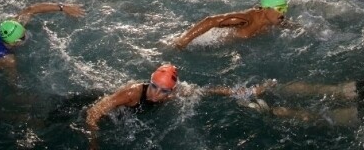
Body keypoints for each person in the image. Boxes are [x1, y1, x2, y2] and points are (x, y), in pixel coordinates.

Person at [85, 64, 264, 148]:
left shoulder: (176, 93)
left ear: (171, 92)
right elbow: (94, 112)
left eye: (163, 91)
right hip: (102, 107)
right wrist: (93, 140)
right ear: (150, 81)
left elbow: (208, 90)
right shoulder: (131, 93)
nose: (156, 94)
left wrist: (243, 92)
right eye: (154, 87)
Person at [174, 0, 289, 49]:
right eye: (280, 8)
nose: (283, 12)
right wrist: (183, 41)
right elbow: (210, 21)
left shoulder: (274, 21)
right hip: (208, 41)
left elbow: (289, 26)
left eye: (285, 8)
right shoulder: (246, 20)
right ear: (265, 8)